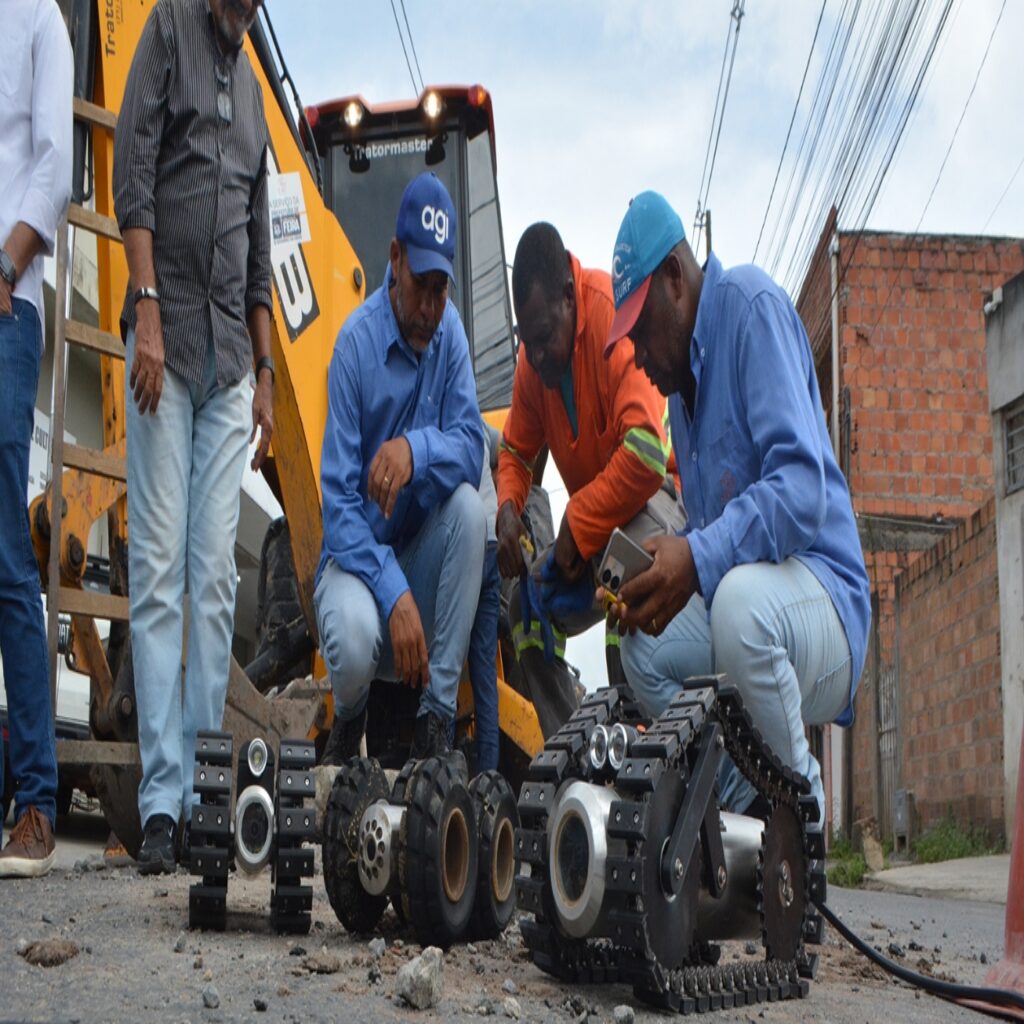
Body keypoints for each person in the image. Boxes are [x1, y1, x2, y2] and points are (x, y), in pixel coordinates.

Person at [601, 191, 871, 825]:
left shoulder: (752, 309)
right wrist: (658, 579)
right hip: (751, 611)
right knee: (643, 646)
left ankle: (801, 819)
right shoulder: (680, 396)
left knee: (738, 606)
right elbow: (712, 533)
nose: (636, 352)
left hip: (825, 606)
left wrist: (696, 556)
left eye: (640, 328)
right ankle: (741, 814)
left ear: (676, 277)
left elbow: (803, 492)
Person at [113, 0, 274, 873]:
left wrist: (267, 377)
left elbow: (256, 245)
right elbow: (131, 169)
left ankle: (210, 791)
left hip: (226, 366)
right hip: (162, 339)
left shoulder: (253, 90)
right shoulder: (167, 29)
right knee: (162, 572)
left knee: (214, 575)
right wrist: (143, 311)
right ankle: (164, 803)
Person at [316, 172, 485, 765]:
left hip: (421, 564)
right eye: (420, 287)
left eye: (443, 290)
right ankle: (350, 713)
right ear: (394, 260)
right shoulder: (353, 348)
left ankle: (434, 724)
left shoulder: (451, 335)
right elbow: (337, 510)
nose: (430, 309)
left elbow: (472, 448)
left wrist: (414, 450)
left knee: (470, 508)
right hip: (358, 575)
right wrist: (393, 592)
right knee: (355, 638)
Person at [496, 222, 680, 737]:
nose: (534, 356)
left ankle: (644, 738)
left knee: (623, 570)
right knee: (525, 608)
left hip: (660, 508)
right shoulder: (533, 363)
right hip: (596, 534)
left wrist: (577, 526)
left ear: (568, 297)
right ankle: (574, 749)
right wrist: (508, 507)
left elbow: (645, 456)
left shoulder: (608, 317)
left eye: (544, 337)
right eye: (525, 340)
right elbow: (513, 449)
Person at [0, 0, 72, 878]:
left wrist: (6, 265)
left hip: (7, 303)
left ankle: (38, 803)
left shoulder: (41, 22)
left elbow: (52, 164)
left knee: (7, 556)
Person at [466, 421, 501, 772]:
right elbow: (506, 446)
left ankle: (441, 759)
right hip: (494, 542)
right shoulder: (478, 421)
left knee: (446, 656)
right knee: (484, 672)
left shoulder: (444, 417)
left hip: (471, 542)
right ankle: (490, 776)